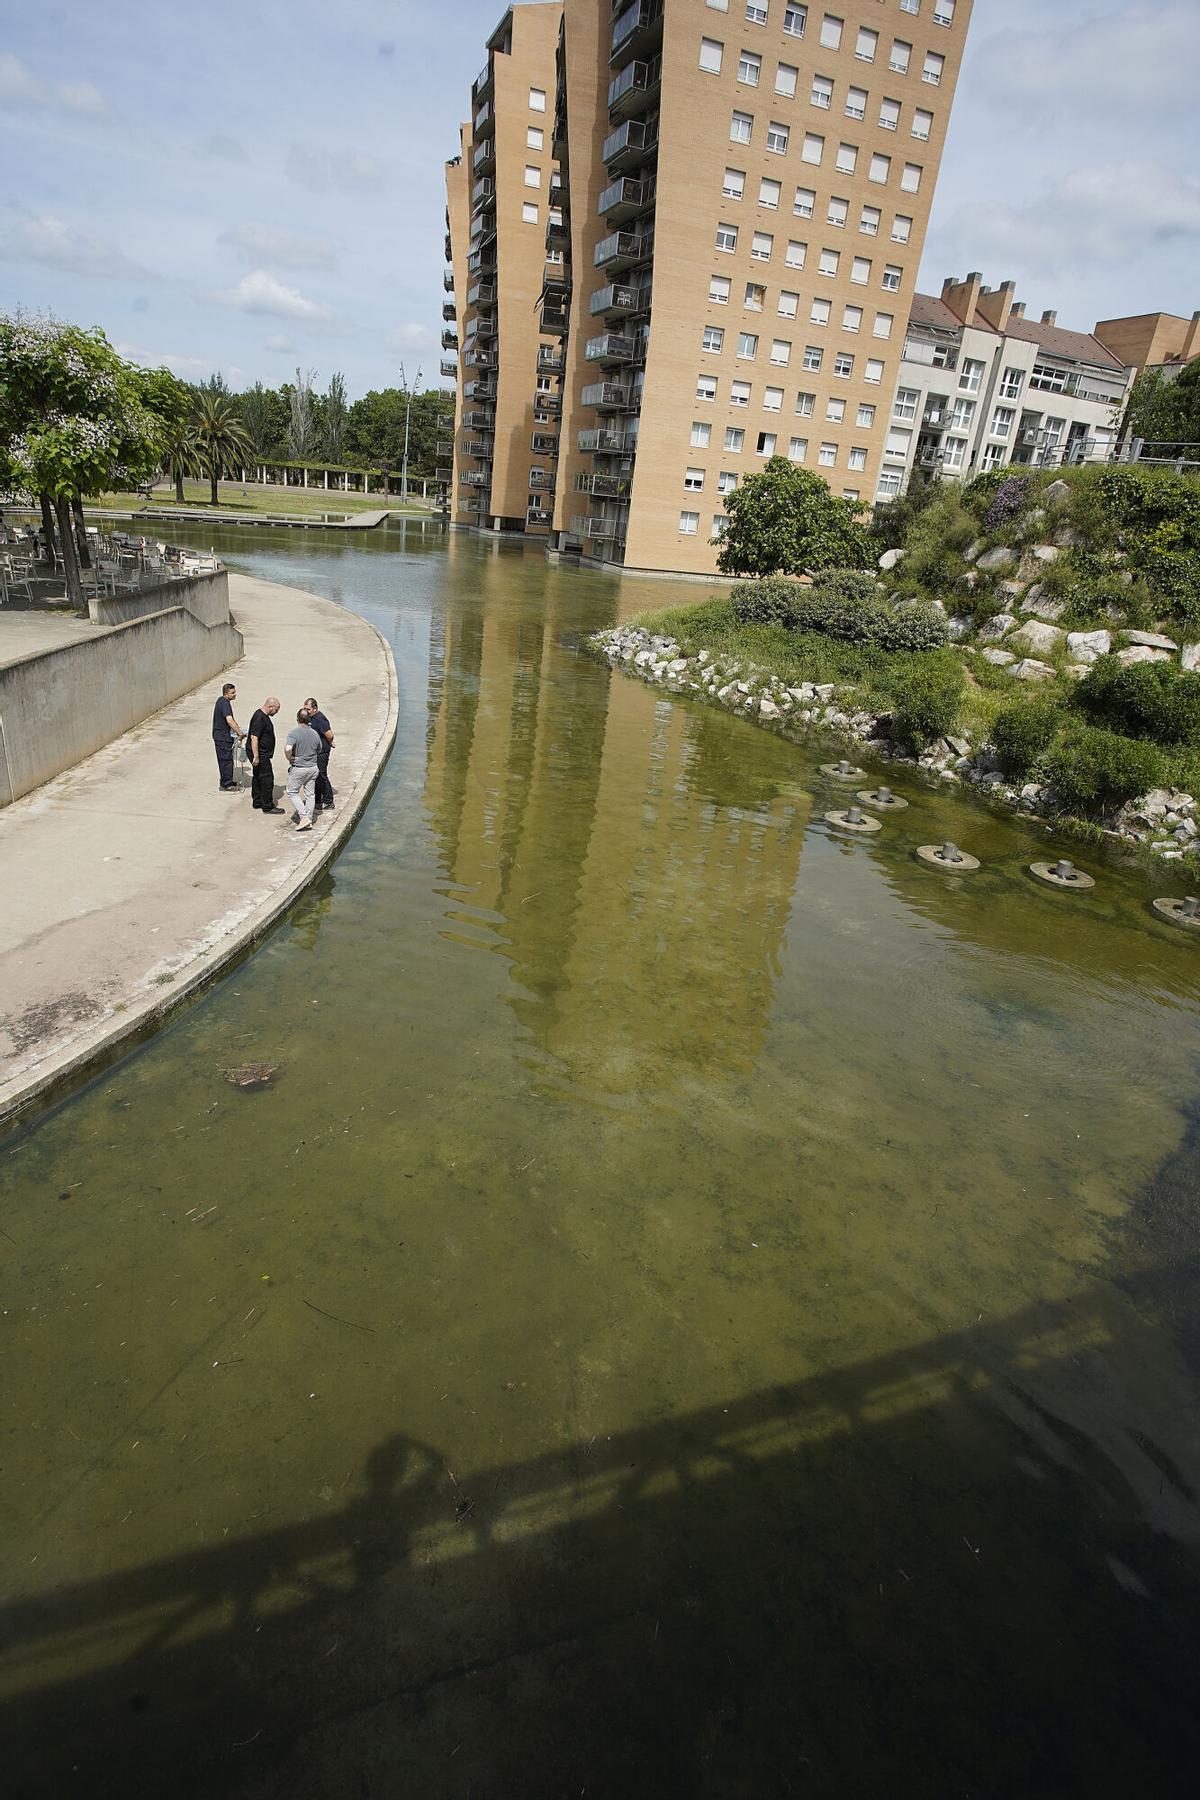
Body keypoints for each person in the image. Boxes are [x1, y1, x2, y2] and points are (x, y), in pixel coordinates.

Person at [284, 708, 322, 831]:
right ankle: (309, 819)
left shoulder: (293, 733)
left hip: (299, 768)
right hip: (313, 768)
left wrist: (289, 758)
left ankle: (304, 816)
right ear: (309, 719)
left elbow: (288, 748)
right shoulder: (315, 733)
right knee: (310, 794)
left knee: (292, 791)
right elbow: (319, 749)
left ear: (297, 719)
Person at [247, 696, 283, 814]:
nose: (276, 712)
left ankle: (257, 801)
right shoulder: (259, 718)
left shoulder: (262, 716)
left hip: (261, 753)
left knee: (257, 776)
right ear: (270, 706)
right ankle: (267, 806)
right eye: (276, 710)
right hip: (261, 754)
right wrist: (256, 756)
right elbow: (254, 737)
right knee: (267, 778)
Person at [303, 696, 335, 811]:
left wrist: (329, 745)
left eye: (308, 709)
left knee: (322, 775)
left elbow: (330, 735)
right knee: (315, 776)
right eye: (305, 709)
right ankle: (317, 799)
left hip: (322, 752)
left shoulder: (320, 718)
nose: (306, 711)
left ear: (315, 709)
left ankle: (328, 801)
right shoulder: (309, 718)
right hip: (313, 752)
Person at [211, 682, 244, 791]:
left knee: (227, 760)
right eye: (232, 692)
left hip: (221, 736)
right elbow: (229, 720)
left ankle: (227, 780)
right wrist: (240, 732)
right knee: (225, 760)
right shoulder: (225, 703)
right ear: (226, 693)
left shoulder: (221, 701)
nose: (235, 694)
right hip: (222, 737)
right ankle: (226, 784)